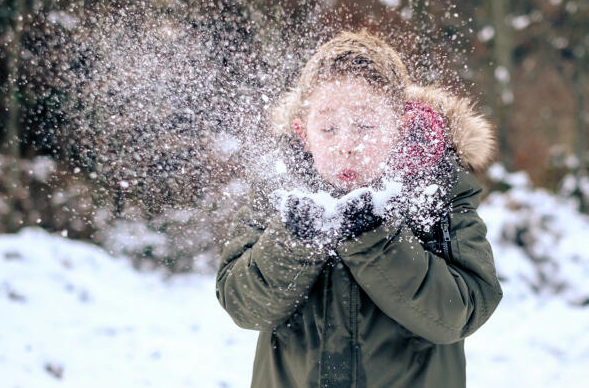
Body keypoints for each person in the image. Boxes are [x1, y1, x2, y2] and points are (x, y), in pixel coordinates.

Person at [215, 29, 503, 388]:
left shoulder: (437, 188)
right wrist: (295, 240)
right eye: (328, 127)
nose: (346, 145)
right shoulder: (280, 191)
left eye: (365, 125)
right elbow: (243, 305)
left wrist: (374, 238)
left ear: (399, 127)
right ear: (304, 133)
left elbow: (461, 313)